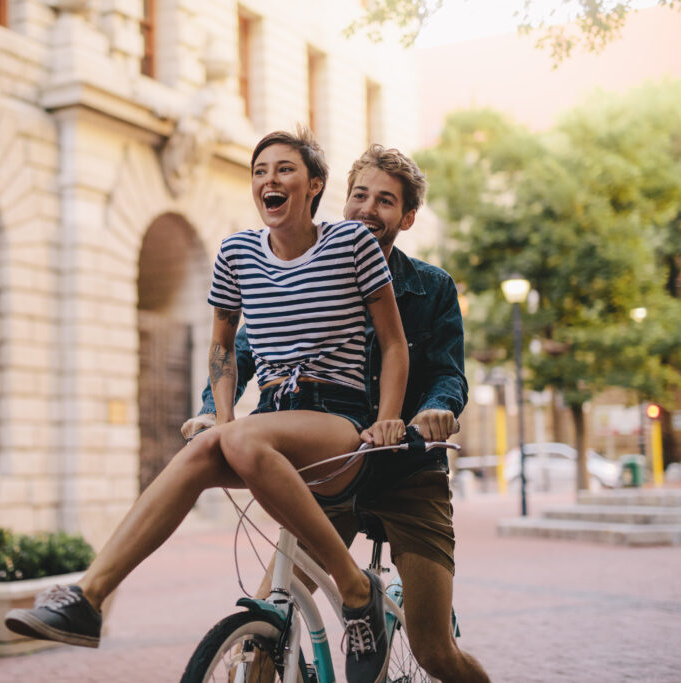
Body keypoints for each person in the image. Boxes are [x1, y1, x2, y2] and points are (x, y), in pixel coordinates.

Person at [6, 128, 410, 683]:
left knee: (240, 436)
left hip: (338, 423)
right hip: (270, 418)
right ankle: (88, 596)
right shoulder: (236, 252)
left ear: (315, 185)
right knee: (204, 449)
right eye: (260, 170)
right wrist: (221, 421)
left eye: (286, 169)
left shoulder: (352, 245)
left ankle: (356, 590)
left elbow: (392, 342)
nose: (270, 179)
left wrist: (387, 417)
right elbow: (222, 346)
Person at [184, 144, 490, 682]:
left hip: (406, 469)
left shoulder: (432, 287)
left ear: (408, 217)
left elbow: (446, 372)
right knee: (268, 623)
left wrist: (435, 412)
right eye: (360, 195)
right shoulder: (307, 270)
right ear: (341, 200)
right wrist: (214, 413)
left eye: (387, 201)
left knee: (434, 650)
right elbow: (246, 352)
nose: (369, 208)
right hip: (330, 471)